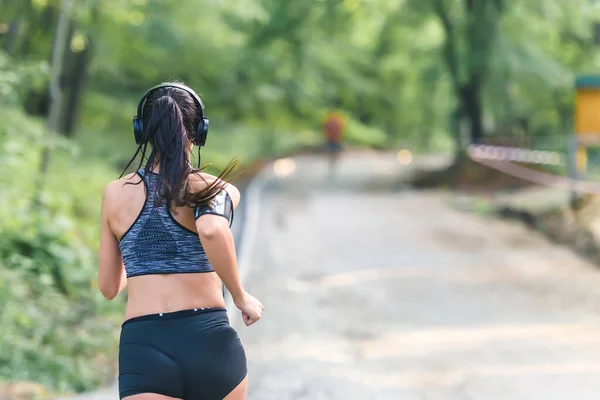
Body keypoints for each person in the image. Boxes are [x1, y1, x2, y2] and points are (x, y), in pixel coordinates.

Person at [97, 82, 264, 400]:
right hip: (208, 340)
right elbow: (212, 230)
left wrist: (140, 258)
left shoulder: (114, 194)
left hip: (145, 347)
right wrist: (241, 297)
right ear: (199, 132)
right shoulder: (212, 188)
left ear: (141, 131)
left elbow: (109, 287)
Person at [322, 108, 345, 176]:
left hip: (333, 139)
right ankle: (333, 163)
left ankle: (332, 163)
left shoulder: (330, 120)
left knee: (332, 151)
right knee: (333, 151)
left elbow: (325, 128)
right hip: (334, 139)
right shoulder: (337, 120)